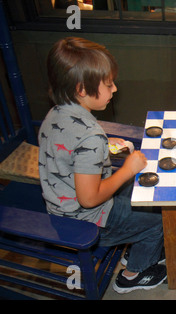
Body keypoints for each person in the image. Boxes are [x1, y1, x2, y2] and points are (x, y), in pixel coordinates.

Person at [39, 37, 166, 293]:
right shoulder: (90, 136)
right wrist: (128, 169)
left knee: (144, 190)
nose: (115, 89)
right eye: (108, 84)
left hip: (61, 205)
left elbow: (70, 150)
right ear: (82, 89)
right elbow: (89, 198)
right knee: (160, 216)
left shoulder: (56, 112)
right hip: (87, 219)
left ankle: (133, 245)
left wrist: (103, 145)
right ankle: (133, 273)